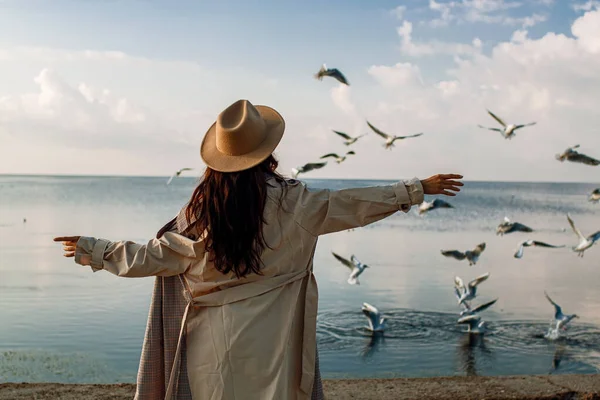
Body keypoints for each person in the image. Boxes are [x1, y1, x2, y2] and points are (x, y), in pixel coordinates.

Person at [54, 99, 463, 400]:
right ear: (267, 153)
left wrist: (95, 248)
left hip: (211, 345)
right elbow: (353, 204)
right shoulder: (297, 203)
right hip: (276, 343)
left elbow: (152, 257)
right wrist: (416, 189)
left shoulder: (200, 214)